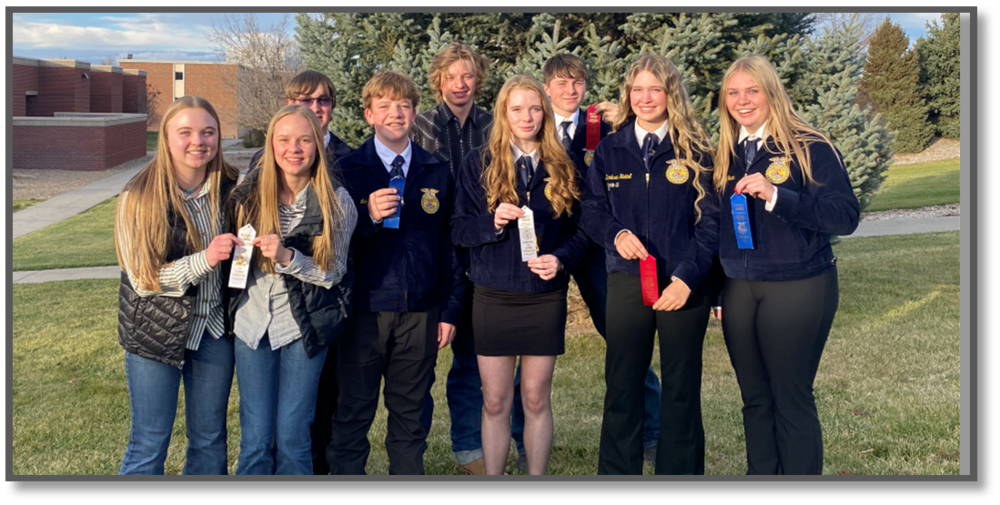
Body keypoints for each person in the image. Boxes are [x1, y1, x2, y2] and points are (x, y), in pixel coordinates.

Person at [508, 52, 664, 468]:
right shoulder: (530, 126)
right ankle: (525, 442)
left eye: (577, 82)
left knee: (623, 338)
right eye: (560, 83)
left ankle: (652, 431)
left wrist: (626, 121)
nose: (569, 90)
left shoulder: (606, 125)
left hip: (597, 248)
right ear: (546, 87)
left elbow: (639, 153)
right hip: (548, 247)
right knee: (531, 343)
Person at [714, 55, 859, 475]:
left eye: (752, 90)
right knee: (755, 399)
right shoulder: (726, 151)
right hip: (740, 288)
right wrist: (717, 289)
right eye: (734, 93)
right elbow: (712, 227)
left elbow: (844, 216)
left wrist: (779, 196)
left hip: (799, 284)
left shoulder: (810, 146)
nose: (743, 101)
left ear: (771, 92)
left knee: (789, 396)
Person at [580, 55, 720, 475]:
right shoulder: (610, 150)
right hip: (626, 281)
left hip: (683, 284)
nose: (645, 98)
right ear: (628, 95)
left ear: (670, 93)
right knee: (623, 385)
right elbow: (590, 209)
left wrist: (686, 279)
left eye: (654, 89)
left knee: (681, 388)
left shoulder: (696, 150)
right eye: (637, 90)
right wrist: (616, 235)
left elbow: (711, 223)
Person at [452, 74, 590, 475]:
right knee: (495, 400)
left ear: (544, 111)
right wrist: (491, 223)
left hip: (544, 295)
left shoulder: (564, 164)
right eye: (517, 109)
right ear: (503, 114)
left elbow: (584, 231)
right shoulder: (478, 163)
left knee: (535, 399)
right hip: (493, 296)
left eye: (534, 108)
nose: (526, 117)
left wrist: (561, 259)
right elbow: (459, 230)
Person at [331, 70, 464, 475]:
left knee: (410, 419)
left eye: (403, 106)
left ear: (414, 112)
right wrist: (367, 217)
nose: (395, 114)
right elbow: (332, 249)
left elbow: (450, 247)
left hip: (421, 313)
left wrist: (450, 310)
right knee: (353, 413)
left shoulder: (435, 171)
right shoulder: (346, 170)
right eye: (385, 106)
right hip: (363, 313)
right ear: (369, 114)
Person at [228, 104, 357, 475]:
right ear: (271, 145)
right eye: (284, 140)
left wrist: (288, 257)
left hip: (303, 330)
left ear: (317, 145)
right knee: (254, 439)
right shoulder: (247, 193)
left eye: (304, 140)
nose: (293, 149)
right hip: (251, 327)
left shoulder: (337, 202)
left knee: (292, 437)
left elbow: (334, 273)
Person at [115, 95, 241, 475]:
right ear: (165, 137)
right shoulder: (137, 195)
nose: (197, 141)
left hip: (213, 333)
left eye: (207, 132)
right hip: (154, 333)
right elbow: (142, 278)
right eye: (184, 132)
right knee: (150, 441)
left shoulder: (234, 189)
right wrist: (206, 258)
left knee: (209, 440)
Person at [410, 40, 494, 474]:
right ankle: (417, 451)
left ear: (477, 79)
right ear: (438, 80)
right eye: (452, 76)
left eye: (467, 76)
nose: (460, 84)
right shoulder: (420, 126)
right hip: (435, 255)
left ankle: (472, 448)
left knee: (476, 357)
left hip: (484, 252)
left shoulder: (493, 125)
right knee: (423, 364)